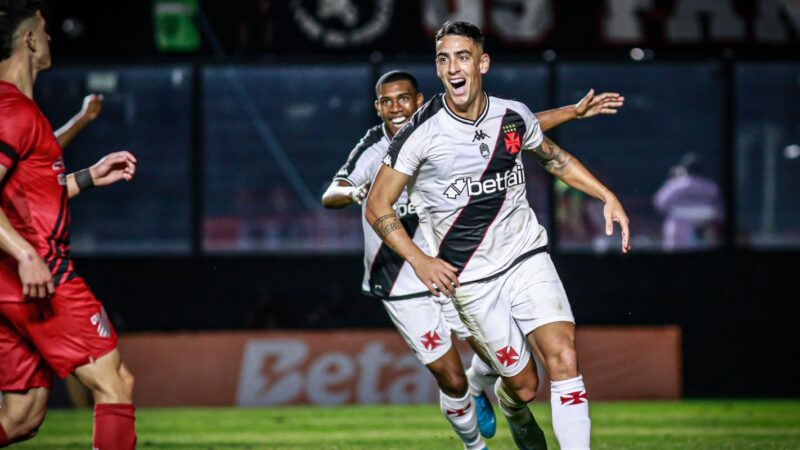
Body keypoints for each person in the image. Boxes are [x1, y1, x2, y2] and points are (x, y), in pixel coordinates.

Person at [365, 21, 630, 450]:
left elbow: (553, 157)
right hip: (467, 279)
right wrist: (420, 259)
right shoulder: (420, 133)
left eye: (462, 56)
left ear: (482, 63)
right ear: (438, 68)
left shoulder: (511, 115)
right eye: (444, 58)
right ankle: (510, 407)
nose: (453, 66)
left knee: (565, 358)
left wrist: (605, 195)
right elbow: (378, 206)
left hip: (526, 255)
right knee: (525, 386)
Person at [0, 2, 138, 448]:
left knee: (21, 416)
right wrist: (25, 256)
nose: (51, 37)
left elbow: (28, 196)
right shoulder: (11, 110)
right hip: (40, 277)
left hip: (10, 283)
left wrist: (88, 177)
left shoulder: (19, 109)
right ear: (29, 40)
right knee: (115, 381)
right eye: (45, 29)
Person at [653, 152, 723, 250]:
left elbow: (660, 203)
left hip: (678, 229)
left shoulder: (675, 185)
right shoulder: (711, 188)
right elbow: (719, 213)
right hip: (704, 229)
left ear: (684, 168)